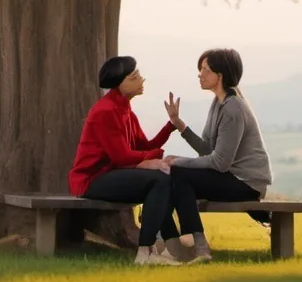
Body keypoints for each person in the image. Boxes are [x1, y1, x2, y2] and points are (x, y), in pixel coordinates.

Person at [69, 55, 203, 265]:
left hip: (112, 174)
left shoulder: (126, 110)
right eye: (134, 76)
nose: (141, 79)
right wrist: (149, 161)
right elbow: (122, 156)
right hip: (92, 180)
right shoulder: (105, 111)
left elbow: (145, 147)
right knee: (159, 180)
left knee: (163, 179)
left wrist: (172, 124)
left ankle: (170, 246)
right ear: (119, 83)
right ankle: (145, 253)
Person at [163, 47, 273, 262]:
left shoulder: (233, 108)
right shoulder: (219, 103)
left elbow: (220, 162)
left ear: (219, 75)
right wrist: (179, 124)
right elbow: (208, 150)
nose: (200, 74)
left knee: (178, 173)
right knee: (177, 175)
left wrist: (178, 161)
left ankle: (195, 245)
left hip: (246, 183)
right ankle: (192, 245)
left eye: (205, 69)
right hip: (230, 177)